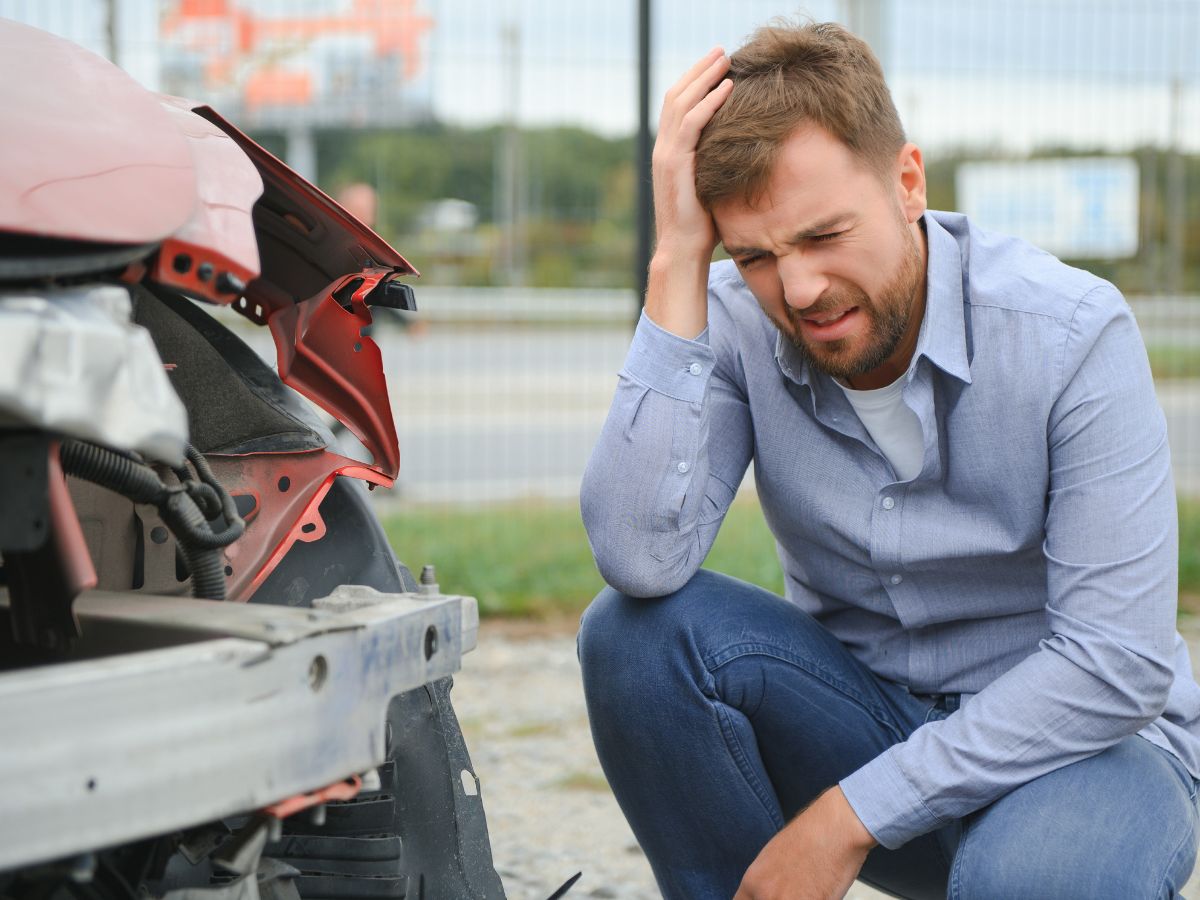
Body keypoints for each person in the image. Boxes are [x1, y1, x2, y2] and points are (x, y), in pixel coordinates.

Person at [577, 20, 1200, 900]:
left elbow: (1115, 666)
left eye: (824, 236)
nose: (798, 291)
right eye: (755, 255)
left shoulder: (1070, 335)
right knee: (634, 638)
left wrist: (847, 819)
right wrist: (678, 255)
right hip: (864, 723)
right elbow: (639, 558)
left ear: (908, 182)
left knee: (1031, 882)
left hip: (1084, 757)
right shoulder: (736, 322)